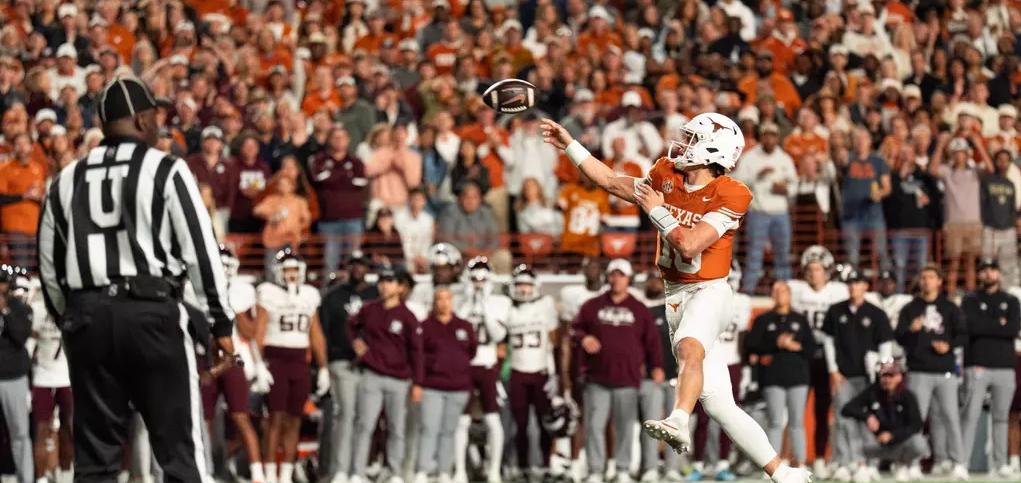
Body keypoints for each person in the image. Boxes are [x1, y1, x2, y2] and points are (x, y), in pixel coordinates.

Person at [540, 114, 811, 483]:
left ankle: (679, 419)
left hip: (709, 290)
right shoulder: (666, 175)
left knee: (688, 347)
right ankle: (783, 473)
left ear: (713, 150)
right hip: (675, 296)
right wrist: (570, 145)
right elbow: (609, 180)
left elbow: (690, 245)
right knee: (720, 405)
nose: (683, 145)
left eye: (692, 139)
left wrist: (656, 209)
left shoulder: (731, 193)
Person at [37, 77, 235, 482]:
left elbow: (50, 269)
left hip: (88, 318)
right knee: (181, 455)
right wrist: (220, 324)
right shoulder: (166, 168)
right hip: (152, 313)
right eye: (154, 115)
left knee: (95, 464)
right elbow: (201, 250)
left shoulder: (65, 179)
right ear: (143, 120)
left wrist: (72, 322)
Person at [573, 259, 663, 483]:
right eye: (613, 274)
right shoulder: (592, 305)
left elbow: (652, 342)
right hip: (597, 378)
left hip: (628, 379)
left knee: (625, 428)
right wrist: (584, 338)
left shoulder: (639, 308)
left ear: (629, 279)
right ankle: (595, 470)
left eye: (621, 275)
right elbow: (575, 329)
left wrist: (657, 366)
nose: (616, 279)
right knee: (594, 426)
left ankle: (622, 469)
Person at [192, 246, 268, 483]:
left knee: (240, 416)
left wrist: (230, 306)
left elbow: (250, 331)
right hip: (205, 357)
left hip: (232, 358)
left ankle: (258, 474)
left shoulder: (242, 290)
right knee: (203, 419)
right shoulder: (196, 287)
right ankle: (204, 470)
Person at [256, 250, 329, 483]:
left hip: (299, 361)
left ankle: (286, 474)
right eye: (287, 269)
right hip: (275, 358)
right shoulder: (268, 293)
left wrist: (323, 367)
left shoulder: (309, 295)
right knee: (275, 418)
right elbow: (259, 332)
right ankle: (270, 474)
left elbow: (316, 333)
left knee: (295, 419)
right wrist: (258, 364)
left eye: (295, 269)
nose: (291, 274)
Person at [348, 266, 423, 483]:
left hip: (399, 380)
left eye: (390, 281)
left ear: (400, 287)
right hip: (372, 375)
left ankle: (394, 473)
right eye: (382, 281)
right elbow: (351, 324)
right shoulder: (369, 309)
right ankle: (357, 473)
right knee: (365, 426)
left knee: (396, 428)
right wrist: (357, 343)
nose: (384, 286)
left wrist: (418, 383)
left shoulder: (408, 316)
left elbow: (416, 352)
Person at [895, 265, 969, 479]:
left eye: (931, 277)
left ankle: (959, 463)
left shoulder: (950, 308)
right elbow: (898, 337)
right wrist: (911, 330)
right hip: (918, 371)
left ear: (939, 281)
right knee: (915, 419)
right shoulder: (910, 308)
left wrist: (949, 345)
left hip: (944, 370)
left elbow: (963, 335)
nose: (926, 281)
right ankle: (912, 463)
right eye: (923, 277)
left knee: (951, 418)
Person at [821, 270, 894, 482]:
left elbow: (885, 345)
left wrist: (882, 373)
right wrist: (833, 370)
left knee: (868, 419)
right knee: (842, 419)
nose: (853, 287)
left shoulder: (876, 313)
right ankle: (845, 462)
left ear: (865, 286)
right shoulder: (836, 311)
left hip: (868, 378)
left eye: (858, 283)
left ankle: (868, 463)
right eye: (851, 283)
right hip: (843, 376)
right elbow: (828, 342)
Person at [786, 245, 849, 477]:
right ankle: (790, 458)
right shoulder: (796, 289)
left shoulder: (838, 292)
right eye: (810, 269)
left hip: (826, 357)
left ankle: (821, 457)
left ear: (827, 271)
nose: (813, 273)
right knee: (793, 411)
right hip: (800, 357)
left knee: (823, 411)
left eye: (818, 269)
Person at [746, 280, 816, 473]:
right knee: (775, 422)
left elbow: (811, 348)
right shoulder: (763, 319)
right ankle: (773, 466)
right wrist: (775, 344)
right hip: (773, 378)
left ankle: (800, 463)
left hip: (798, 378)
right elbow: (751, 345)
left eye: (782, 291)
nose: (779, 294)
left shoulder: (800, 319)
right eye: (775, 291)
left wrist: (796, 346)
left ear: (789, 294)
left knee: (797, 423)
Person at [321, 252, 379, 483]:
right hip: (342, 362)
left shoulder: (376, 295)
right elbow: (324, 332)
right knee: (346, 414)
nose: (357, 269)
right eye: (353, 265)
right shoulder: (333, 296)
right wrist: (324, 364)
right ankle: (340, 470)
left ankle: (358, 470)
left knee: (366, 419)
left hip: (372, 365)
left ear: (368, 267)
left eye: (361, 265)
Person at [689, 264, 750, 482]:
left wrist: (745, 368)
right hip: (707, 362)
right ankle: (698, 464)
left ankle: (723, 463)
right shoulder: (704, 298)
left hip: (732, 363)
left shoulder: (742, 302)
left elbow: (742, 337)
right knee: (702, 418)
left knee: (728, 416)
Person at [452, 257, 510, 483]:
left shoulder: (500, 302)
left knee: (492, 419)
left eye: (482, 279)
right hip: (464, 366)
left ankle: (494, 471)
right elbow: (455, 328)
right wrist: (469, 302)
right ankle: (460, 471)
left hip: (487, 364)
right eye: (474, 279)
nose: (478, 283)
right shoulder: (459, 300)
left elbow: (498, 335)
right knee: (462, 421)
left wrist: (484, 306)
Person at [960, 259, 1019, 477]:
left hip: (1005, 366)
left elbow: (1013, 329)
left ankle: (1000, 463)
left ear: (999, 273)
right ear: (979, 274)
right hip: (977, 364)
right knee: (971, 415)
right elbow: (970, 326)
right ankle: (962, 462)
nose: (988, 274)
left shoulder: (1011, 300)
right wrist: (998, 325)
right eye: (984, 270)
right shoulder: (970, 299)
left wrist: (987, 326)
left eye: (992, 270)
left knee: (1001, 417)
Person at [414, 286, 477, 483]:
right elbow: (418, 356)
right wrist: (418, 383)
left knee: (449, 431)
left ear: (452, 301)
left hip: (458, 387)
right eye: (439, 299)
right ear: (434, 302)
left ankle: (444, 471)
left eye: (447, 298)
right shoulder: (425, 326)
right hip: (432, 386)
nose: (443, 303)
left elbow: (472, 351)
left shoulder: (464, 326)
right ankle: (423, 470)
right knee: (429, 429)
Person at [504, 264, 559, 477]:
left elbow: (554, 342)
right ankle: (523, 465)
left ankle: (545, 464)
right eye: (520, 284)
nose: (524, 289)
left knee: (545, 422)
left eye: (527, 285)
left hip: (540, 372)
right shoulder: (508, 309)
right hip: (517, 371)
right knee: (520, 424)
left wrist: (554, 373)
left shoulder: (545, 306)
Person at [731, 122, 797, 291]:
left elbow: (794, 184)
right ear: (761, 137)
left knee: (783, 254)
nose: (769, 139)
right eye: (766, 136)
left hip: (780, 212)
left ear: (777, 138)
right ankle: (748, 291)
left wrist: (785, 190)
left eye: (772, 136)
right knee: (754, 253)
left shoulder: (784, 158)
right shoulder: (750, 157)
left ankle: (784, 290)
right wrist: (757, 176)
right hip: (758, 212)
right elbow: (737, 182)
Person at [840, 360, 928, 482]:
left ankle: (904, 464)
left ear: (899, 377)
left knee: (919, 442)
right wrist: (867, 416)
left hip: (899, 444)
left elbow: (916, 425)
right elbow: (846, 409)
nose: (887, 380)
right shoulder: (873, 391)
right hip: (875, 444)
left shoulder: (907, 396)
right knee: (849, 422)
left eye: (891, 376)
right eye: (884, 376)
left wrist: (893, 435)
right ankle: (862, 466)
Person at [637, 273, 684, 483]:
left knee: (675, 425)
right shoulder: (642, 310)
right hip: (651, 377)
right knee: (651, 425)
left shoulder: (676, 309)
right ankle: (649, 468)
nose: (654, 283)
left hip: (675, 376)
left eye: (657, 280)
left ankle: (672, 468)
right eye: (651, 280)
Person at [309, 126, 369, 273]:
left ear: (348, 140)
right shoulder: (319, 160)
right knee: (330, 263)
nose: (339, 140)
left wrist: (332, 177)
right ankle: (329, 287)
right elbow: (319, 178)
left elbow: (361, 182)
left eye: (342, 137)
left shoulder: (356, 162)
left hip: (353, 219)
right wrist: (346, 177)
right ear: (329, 140)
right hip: (328, 221)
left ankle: (352, 287)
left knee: (354, 262)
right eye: (335, 137)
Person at [0, 266, 33, 483]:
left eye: (2, 283)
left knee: (20, 433)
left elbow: (21, 336)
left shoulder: (19, 307)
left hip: (13, 377)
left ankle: (25, 479)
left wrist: (5, 311)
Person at [979, 150, 1018, 287]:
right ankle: (986, 290)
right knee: (987, 263)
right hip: (990, 228)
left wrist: (1012, 225)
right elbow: (981, 204)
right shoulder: (986, 181)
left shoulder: (1010, 184)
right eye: (1000, 159)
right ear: (995, 161)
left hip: (1008, 229)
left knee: (1008, 265)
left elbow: (1012, 207)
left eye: (1006, 160)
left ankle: (1007, 292)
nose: (1003, 163)